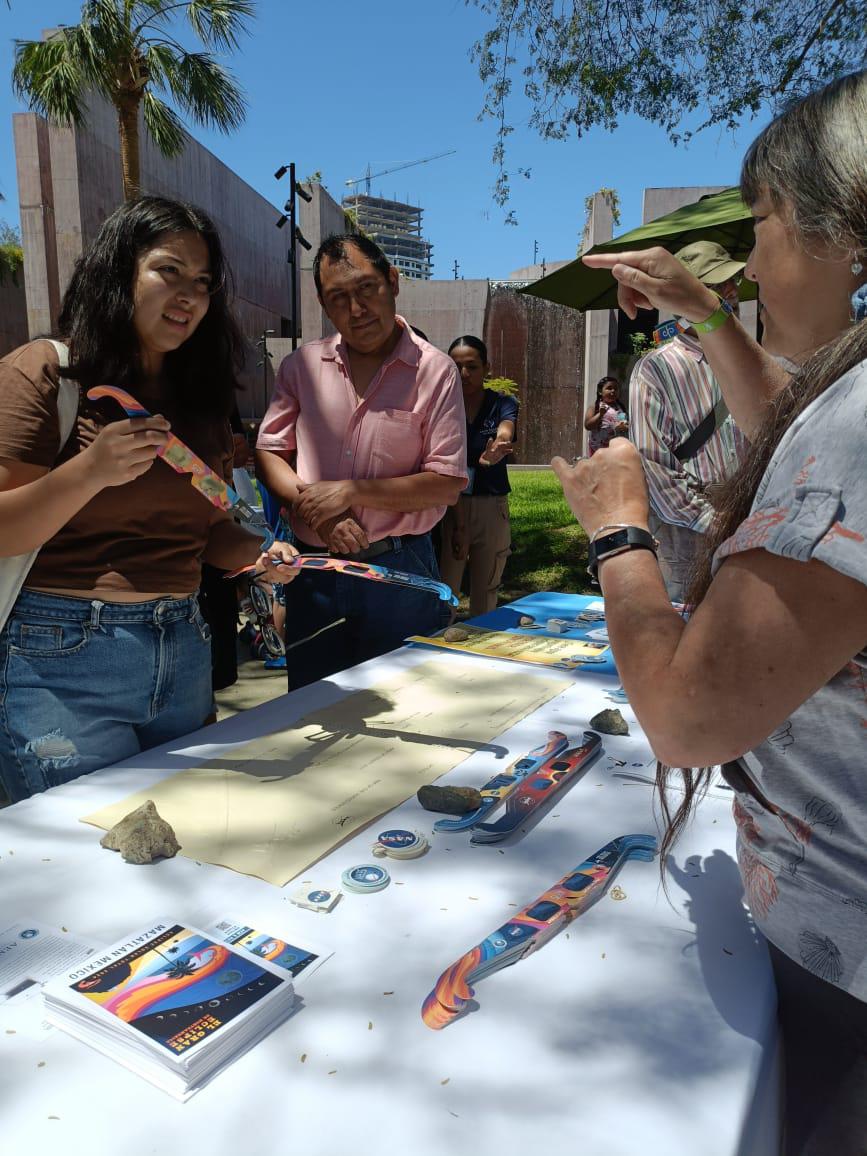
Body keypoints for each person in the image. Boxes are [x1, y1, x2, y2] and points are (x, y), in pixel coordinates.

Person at [561, 70, 867, 1155]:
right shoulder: (847, 400)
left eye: (767, 222)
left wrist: (616, 532)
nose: (750, 253)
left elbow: (688, 721)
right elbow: (797, 436)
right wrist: (707, 315)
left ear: (850, 240)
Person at [0, 196, 297, 803]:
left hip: (184, 647)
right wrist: (89, 472)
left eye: (204, 282)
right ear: (119, 272)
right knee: (83, 864)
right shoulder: (47, 374)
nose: (189, 295)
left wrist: (258, 555)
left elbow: (205, 530)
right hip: (60, 657)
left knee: (187, 838)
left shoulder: (202, 399)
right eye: (168, 271)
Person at [255, 234, 467, 689]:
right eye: (339, 298)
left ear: (392, 281)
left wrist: (349, 492)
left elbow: (445, 483)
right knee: (311, 715)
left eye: (366, 288)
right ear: (323, 304)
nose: (357, 309)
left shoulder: (436, 372)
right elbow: (270, 452)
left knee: (409, 711)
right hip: (314, 574)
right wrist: (322, 514)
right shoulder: (300, 367)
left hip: (400, 570)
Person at [628, 240, 749, 601]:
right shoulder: (656, 368)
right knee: (686, 635)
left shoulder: (753, 361)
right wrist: (714, 524)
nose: (730, 292)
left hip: (749, 522)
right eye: (715, 285)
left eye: (733, 281)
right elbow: (653, 465)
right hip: (687, 530)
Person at [438, 336, 517, 616]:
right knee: (444, 593)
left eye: (471, 366)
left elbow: (506, 428)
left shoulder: (502, 403)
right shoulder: (441, 407)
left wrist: (498, 446)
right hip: (449, 506)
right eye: (456, 366)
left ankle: (484, 650)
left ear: (486, 368)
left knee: (486, 590)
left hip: (490, 506)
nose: (464, 374)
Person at [583, 376, 627, 455]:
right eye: (609, 388)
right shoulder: (595, 407)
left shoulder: (620, 408)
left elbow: (623, 424)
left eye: (616, 389)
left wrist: (624, 426)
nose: (613, 391)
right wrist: (600, 415)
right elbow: (587, 426)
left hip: (614, 448)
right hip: (597, 449)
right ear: (600, 391)